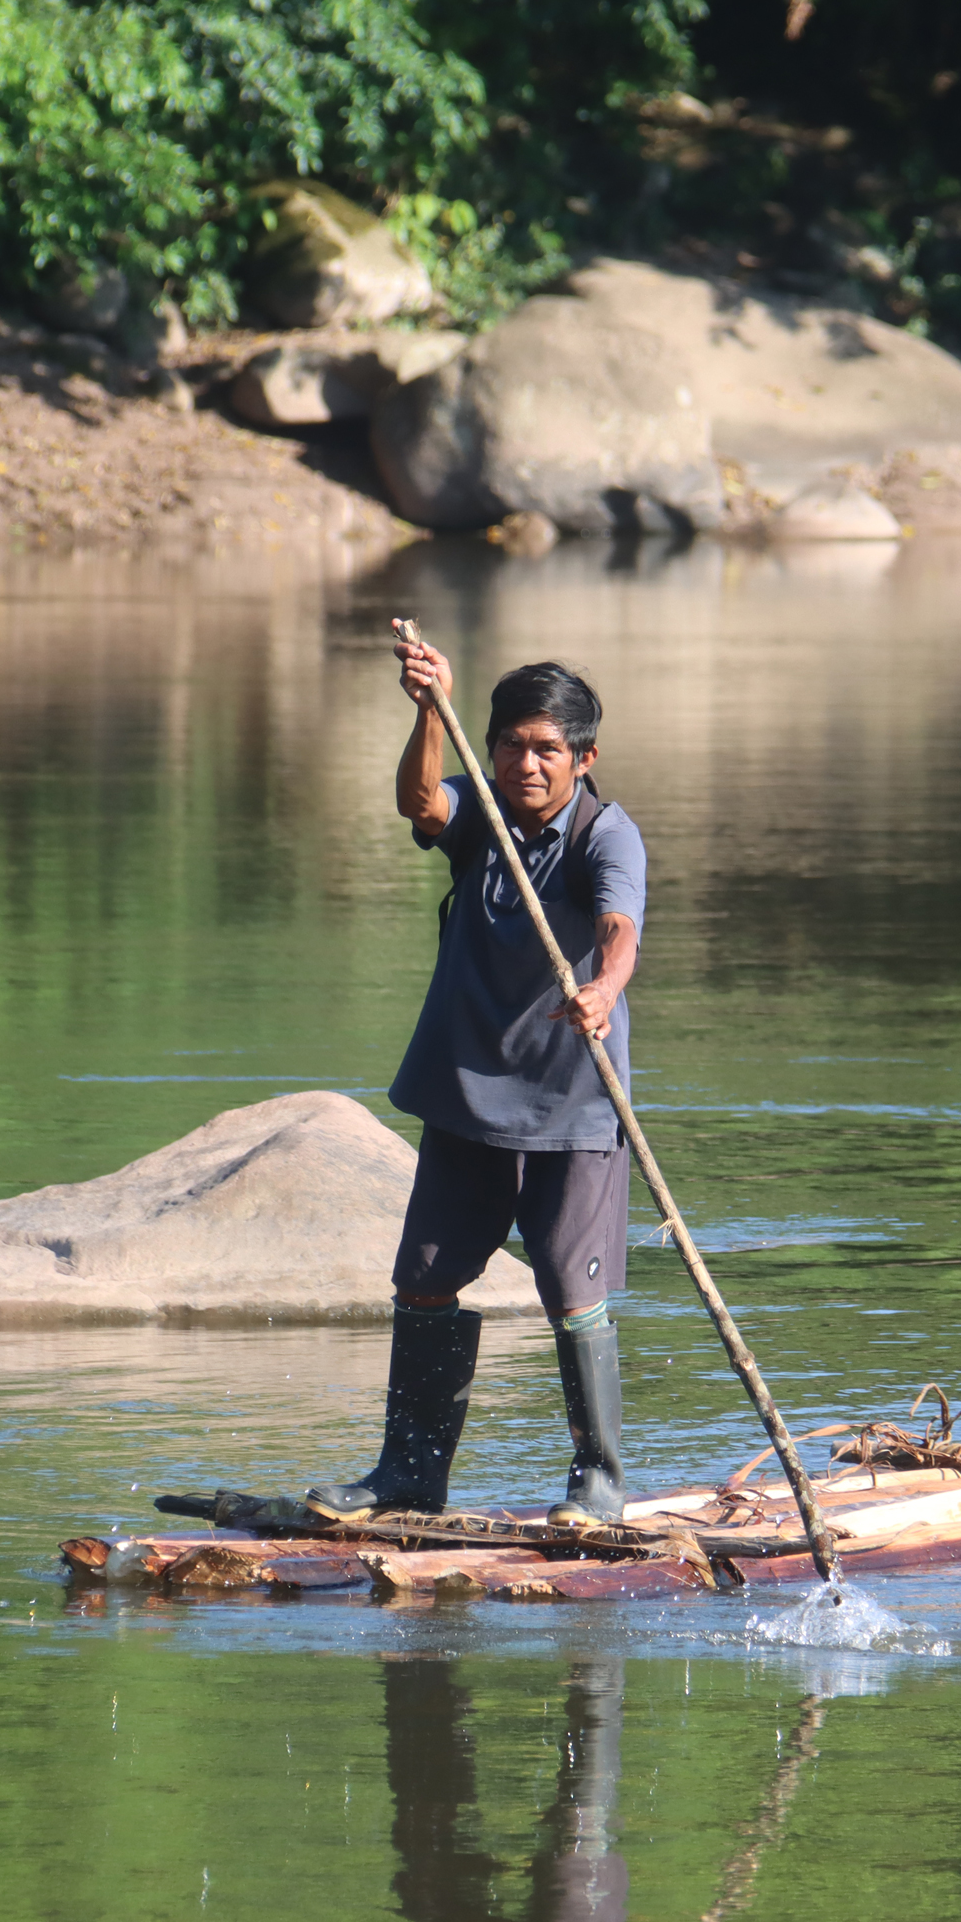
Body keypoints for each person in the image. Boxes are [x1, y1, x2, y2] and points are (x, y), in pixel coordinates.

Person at [302, 634, 646, 1527]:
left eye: (546, 749)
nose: (526, 764)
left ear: (584, 758)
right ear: (487, 746)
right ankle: (409, 1477)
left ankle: (598, 1484)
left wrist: (603, 991)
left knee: (572, 1289)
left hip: (571, 1104)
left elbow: (618, 927)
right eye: (510, 745)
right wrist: (428, 710)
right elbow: (420, 801)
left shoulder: (605, 835)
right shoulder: (479, 816)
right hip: (467, 1100)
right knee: (422, 1281)